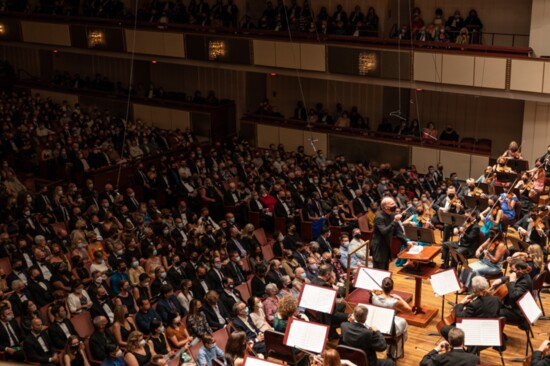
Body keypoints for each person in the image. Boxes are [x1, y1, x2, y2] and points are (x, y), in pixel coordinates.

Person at [371, 278, 410, 359]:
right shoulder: (395, 301)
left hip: (376, 325)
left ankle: (391, 351)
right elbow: (409, 310)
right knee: (403, 324)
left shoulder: (373, 298)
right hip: (389, 327)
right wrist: (400, 298)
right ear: (392, 288)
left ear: (381, 286)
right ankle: (395, 353)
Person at [371, 197, 399, 270]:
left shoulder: (391, 215)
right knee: (379, 271)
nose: (394, 205)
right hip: (379, 249)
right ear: (385, 207)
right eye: (392, 204)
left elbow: (396, 230)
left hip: (386, 246)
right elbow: (384, 231)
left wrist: (406, 242)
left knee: (386, 270)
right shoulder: (379, 217)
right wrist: (394, 221)